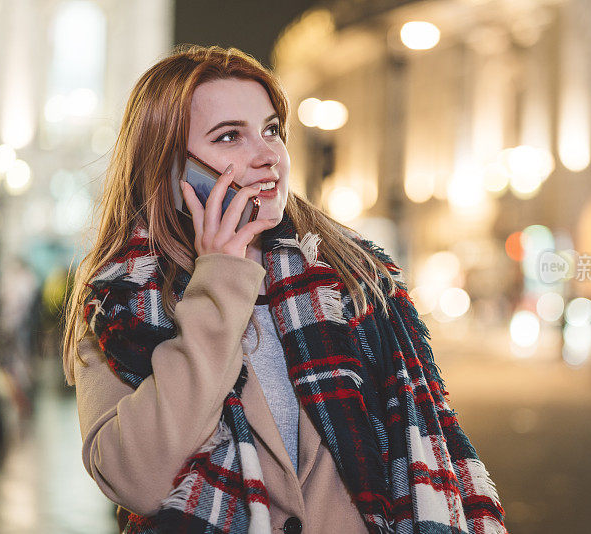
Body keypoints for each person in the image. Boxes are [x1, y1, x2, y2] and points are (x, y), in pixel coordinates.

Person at [62, 44, 507, 534]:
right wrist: (218, 283)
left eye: (271, 130)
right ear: (170, 171)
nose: (267, 155)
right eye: (230, 136)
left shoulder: (353, 276)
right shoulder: (120, 302)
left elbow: (428, 449)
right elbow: (135, 478)